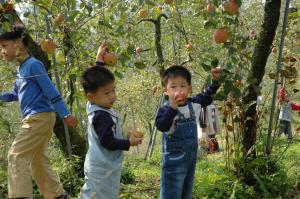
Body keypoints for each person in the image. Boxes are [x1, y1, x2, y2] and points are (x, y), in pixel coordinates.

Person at [0, 24, 77, 199]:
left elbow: (50, 90)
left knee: (15, 156)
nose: (2, 51)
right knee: (38, 161)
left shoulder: (34, 65)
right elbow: (15, 94)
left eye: (4, 46)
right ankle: (57, 196)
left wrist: (65, 114)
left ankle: (20, 196)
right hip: (38, 118)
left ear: (18, 43)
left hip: (38, 118)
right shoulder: (21, 69)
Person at [79, 44, 143, 199]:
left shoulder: (92, 105)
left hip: (99, 166)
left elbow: (95, 81)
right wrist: (129, 143)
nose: (113, 96)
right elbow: (107, 142)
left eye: (113, 90)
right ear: (91, 97)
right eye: (107, 93)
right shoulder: (101, 116)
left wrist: (99, 60)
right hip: (102, 169)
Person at [155, 65, 221, 199]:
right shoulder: (165, 109)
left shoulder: (194, 104)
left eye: (182, 86)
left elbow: (207, 96)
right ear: (165, 91)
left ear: (189, 88)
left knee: (186, 191)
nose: (178, 90)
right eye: (173, 87)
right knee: (171, 193)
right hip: (173, 163)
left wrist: (215, 81)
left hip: (190, 160)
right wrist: (173, 107)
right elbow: (161, 125)